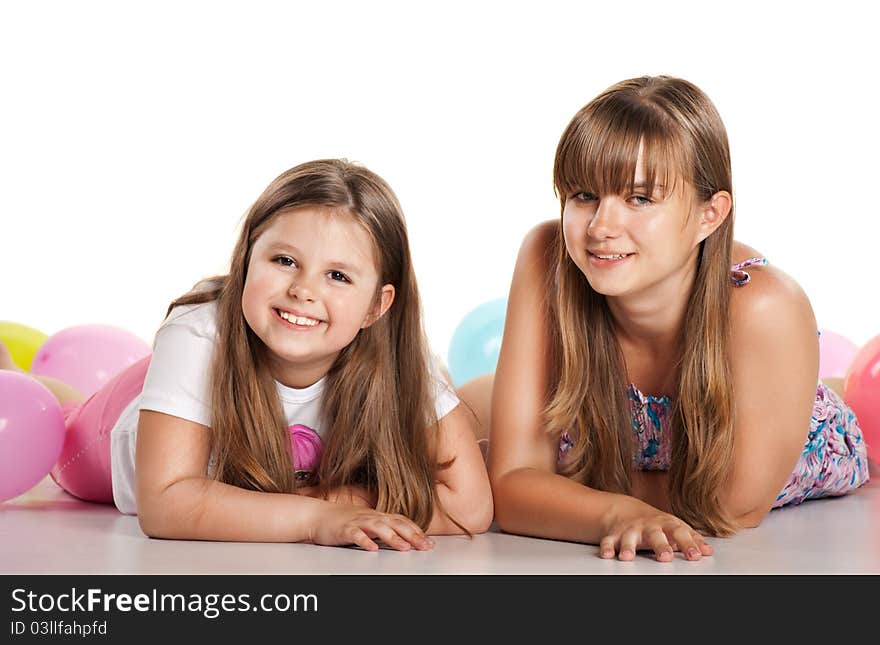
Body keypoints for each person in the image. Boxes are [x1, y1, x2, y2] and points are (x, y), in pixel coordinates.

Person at [2, 158, 492, 550]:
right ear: (245, 261)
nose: (303, 289)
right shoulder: (198, 336)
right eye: (284, 261)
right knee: (60, 426)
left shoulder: (402, 356)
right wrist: (319, 517)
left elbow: (470, 506)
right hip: (117, 429)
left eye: (338, 276)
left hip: (191, 396)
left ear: (376, 306)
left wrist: (343, 502)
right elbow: (166, 503)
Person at [484, 76, 869, 562]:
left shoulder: (764, 306)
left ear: (710, 215)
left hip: (773, 430)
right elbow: (514, 489)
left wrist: (559, 487)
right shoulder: (547, 255)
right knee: (463, 423)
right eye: (583, 195)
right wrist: (611, 512)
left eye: (640, 199)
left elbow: (730, 507)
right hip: (609, 440)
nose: (601, 227)